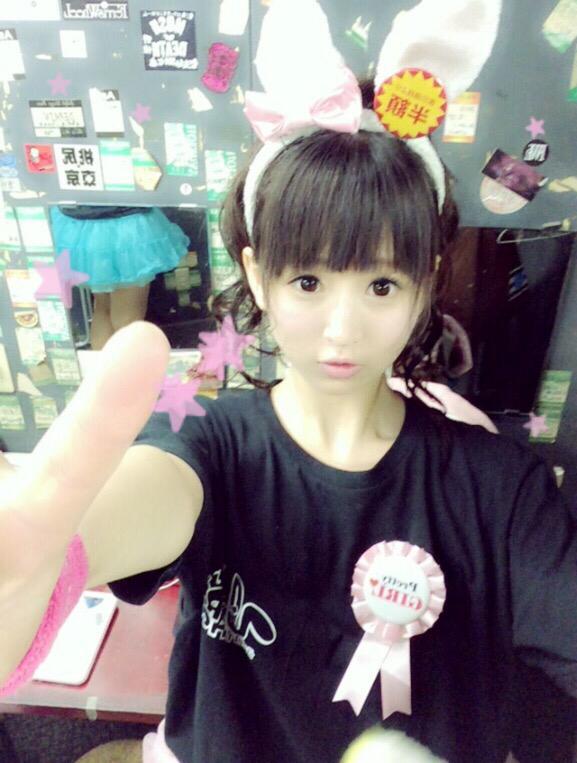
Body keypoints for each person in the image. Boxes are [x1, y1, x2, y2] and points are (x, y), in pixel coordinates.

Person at [1, 1, 576, 761]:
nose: (342, 329)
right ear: (257, 276)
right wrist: (53, 556)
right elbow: (141, 504)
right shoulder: (208, 448)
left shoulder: (499, 487)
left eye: (380, 285)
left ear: (426, 281)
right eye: (308, 281)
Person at [49, 205, 190, 349]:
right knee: (128, 319)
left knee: (103, 308)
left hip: (82, 227)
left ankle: (105, 362)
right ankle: (128, 363)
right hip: (127, 226)